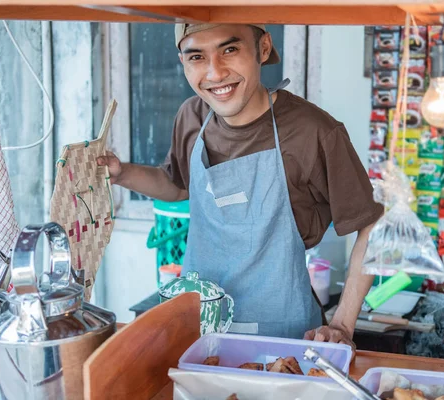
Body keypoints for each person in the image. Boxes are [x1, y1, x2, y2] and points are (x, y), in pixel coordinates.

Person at [97, 23, 383, 351]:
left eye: (229, 50)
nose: (215, 73)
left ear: (262, 49)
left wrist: (342, 325)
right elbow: (177, 185)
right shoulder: (191, 117)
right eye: (197, 57)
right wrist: (122, 174)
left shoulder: (313, 132)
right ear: (182, 62)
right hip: (201, 336)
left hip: (286, 341)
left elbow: (371, 224)